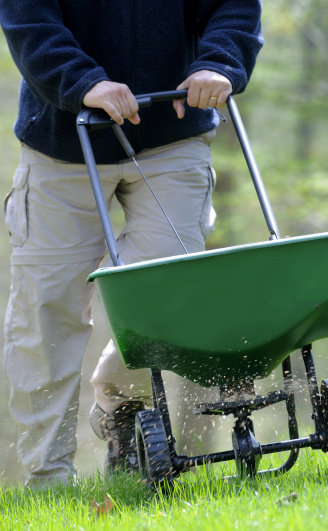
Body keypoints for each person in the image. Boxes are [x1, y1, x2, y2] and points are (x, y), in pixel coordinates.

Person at [0, 1, 263, 486]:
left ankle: (122, 406)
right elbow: (26, 16)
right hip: (61, 139)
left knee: (168, 294)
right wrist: (82, 82)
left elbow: (233, 5)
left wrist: (219, 62)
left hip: (172, 132)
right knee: (47, 311)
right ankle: (48, 478)